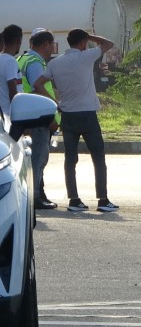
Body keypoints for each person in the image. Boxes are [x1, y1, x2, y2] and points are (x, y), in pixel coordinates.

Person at [34, 29, 119, 213]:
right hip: (88, 115)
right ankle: (103, 200)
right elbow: (108, 44)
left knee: (70, 159)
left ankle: (74, 200)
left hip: (68, 115)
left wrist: (54, 102)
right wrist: (91, 36)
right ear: (82, 43)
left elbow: (37, 84)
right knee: (98, 157)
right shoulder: (86, 56)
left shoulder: (55, 63)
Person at [16, 28, 58, 210]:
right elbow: (36, 87)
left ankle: (36, 194)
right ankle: (34, 197)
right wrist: (55, 103)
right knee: (38, 158)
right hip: (38, 116)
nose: (53, 49)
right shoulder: (34, 62)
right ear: (45, 44)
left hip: (27, 114)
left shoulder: (23, 59)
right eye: (51, 44)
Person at [0, 25, 21, 128]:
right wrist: (19, 115)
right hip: (10, 117)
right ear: (18, 41)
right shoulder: (10, 61)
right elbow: (12, 91)